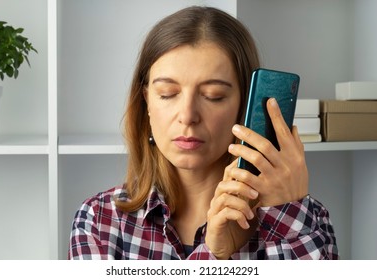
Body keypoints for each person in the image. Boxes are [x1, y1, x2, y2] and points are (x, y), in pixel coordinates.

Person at [68, 6, 339, 260]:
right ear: (146, 102)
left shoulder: (306, 220)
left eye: (213, 96)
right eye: (168, 94)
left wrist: (286, 213)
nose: (187, 115)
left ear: (244, 106)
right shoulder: (99, 220)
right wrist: (212, 254)